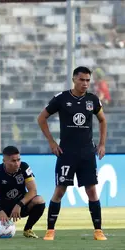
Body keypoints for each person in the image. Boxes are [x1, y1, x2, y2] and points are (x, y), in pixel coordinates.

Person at [37, 66, 107, 241]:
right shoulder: (61, 98)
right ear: (74, 79)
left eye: (88, 80)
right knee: (60, 190)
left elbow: (102, 120)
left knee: (91, 191)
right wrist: (52, 142)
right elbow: (41, 118)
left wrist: (102, 144)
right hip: (67, 153)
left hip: (87, 153)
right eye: (82, 80)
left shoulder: (93, 100)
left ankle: (98, 231)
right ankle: (50, 231)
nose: (85, 84)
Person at [0, 146, 45, 239]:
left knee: (39, 200)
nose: (17, 163)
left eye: (18, 160)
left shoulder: (24, 167)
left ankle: (28, 229)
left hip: (20, 205)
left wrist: (19, 205)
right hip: (1, 205)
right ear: (4, 161)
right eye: (13, 161)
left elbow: (33, 191)